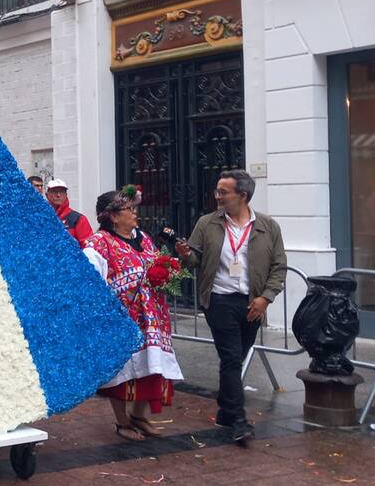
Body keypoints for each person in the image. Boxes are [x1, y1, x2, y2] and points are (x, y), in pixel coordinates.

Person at [176, 169, 286, 444]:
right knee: (231, 357)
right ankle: (238, 419)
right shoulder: (207, 223)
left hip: (252, 303)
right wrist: (185, 254)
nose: (218, 196)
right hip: (219, 300)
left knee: (238, 356)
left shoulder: (267, 226)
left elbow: (279, 266)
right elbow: (194, 262)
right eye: (217, 191)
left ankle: (226, 409)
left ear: (243, 195)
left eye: (223, 192)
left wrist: (266, 298)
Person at [83, 186, 181, 442]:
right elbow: (90, 278)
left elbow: (154, 261)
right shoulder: (99, 242)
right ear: (113, 216)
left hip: (153, 318)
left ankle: (140, 415)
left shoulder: (144, 238)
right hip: (123, 319)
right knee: (123, 371)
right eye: (129, 210)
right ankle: (123, 421)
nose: (135, 213)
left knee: (152, 366)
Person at [46, 179, 93, 246]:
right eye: (54, 191)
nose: (58, 195)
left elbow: (87, 247)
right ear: (47, 195)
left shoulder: (78, 219)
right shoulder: (42, 217)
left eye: (62, 192)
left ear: (66, 195)